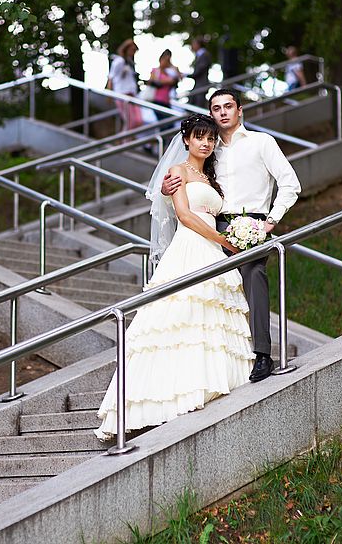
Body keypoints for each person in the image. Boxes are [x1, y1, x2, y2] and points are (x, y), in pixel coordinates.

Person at [94, 114, 254, 440]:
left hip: (210, 249)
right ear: (186, 140)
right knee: (175, 319)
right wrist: (225, 241)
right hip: (191, 247)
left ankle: (209, 384)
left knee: (208, 317)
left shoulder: (210, 177)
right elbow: (184, 214)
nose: (205, 143)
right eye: (199, 137)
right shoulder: (177, 171)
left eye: (210, 138)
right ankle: (154, 401)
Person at [162, 89, 301, 383]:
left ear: (240, 109)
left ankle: (262, 354)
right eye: (216, 108)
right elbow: (187, 181)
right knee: (212, 289)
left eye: (228, 106)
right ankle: (214, 362)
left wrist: (271, 220)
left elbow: (290, 183)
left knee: (253, 275)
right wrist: (167, 190)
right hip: (213, 227)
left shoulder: (262, 143)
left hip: (253, 224)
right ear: (211, 114)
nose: (223, 112)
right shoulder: (209, 150)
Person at [106, 38, 143, 131]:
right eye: (132, 50)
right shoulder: (119, 61)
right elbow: (111, 78)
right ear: (126, 49)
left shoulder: (129, 63)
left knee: (138, 120)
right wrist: (109, 94)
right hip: (122, 95)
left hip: (132, 95)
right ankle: (125, 142)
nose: (133, 53)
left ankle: (128, 141)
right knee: (131, 121)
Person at [148, 49, 182, 121]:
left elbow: (178, 79)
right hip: (157, 100)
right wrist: (166, 81)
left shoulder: (170, 72)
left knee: (169, 123)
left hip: (167, 101)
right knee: (163, 123)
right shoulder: (155, 71)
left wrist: (172, 67)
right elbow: (152, 82)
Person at [189, 36, 212, 108]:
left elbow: (200, 70)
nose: (192, 46)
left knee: (198, 106)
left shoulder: (204, 54)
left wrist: (187, 75)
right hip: (198, 85)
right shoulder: (200, 55)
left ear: (198, 44)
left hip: (201, 85)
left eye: (193, 44)